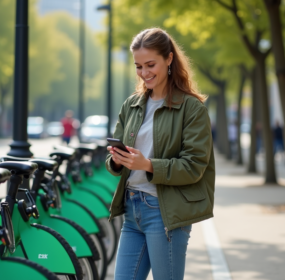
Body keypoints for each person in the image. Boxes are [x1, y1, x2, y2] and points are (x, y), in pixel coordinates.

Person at [106, 28, 215, 280]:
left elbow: (194, 165)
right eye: (138, 66)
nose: (144, 73)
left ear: (169, 59)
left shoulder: (192, 108)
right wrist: (117, 159)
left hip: (164, 213)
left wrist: (148, 164)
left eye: (150, 64)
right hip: (132, 210)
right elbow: (115, 161)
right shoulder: (131, 105)